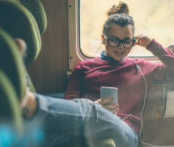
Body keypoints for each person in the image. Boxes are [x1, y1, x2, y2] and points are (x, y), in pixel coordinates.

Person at [63, 1, 174, 146]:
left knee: (111, 126)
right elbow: (67, 106)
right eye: (114, 40)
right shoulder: (84, 67)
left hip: (126, 131)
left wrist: (150, 44)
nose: (121, 47)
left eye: (126, 41)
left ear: (133, 41)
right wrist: (93, 108)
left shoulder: (140, 67)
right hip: (91, 125)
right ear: (104, 39)